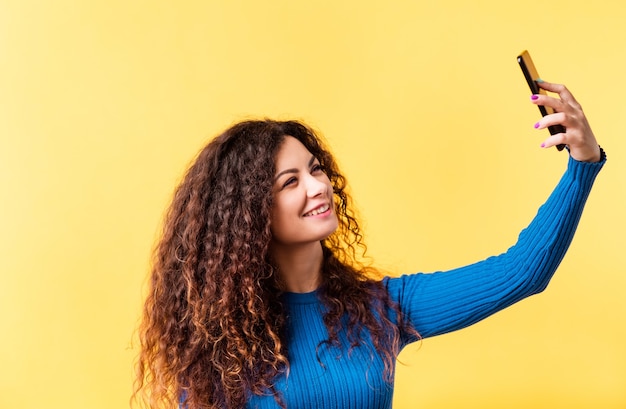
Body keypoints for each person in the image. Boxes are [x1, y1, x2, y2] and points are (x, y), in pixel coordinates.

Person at [133, 81, 605, 409]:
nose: (317, 187)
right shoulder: (222, 341)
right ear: (250, 214)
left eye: (317, 170)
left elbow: (521, 272)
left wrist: (582, 165)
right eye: (290, 181)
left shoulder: (380, 310)